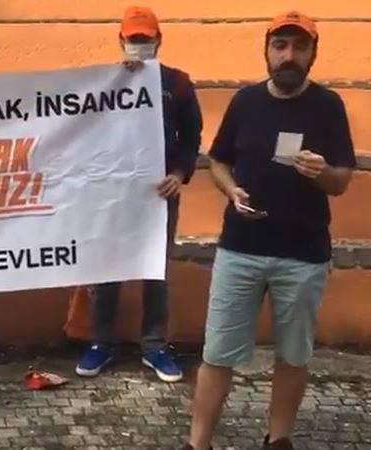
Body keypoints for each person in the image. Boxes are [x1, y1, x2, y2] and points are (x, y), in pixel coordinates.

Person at [179, 11, 355, 450]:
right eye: (280, 46)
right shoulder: (245, 102)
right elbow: (218, 160)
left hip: (304, 254)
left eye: (300, 46)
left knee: (293, 355)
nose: (289, 55)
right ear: (267, 51)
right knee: (217, 354)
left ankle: (279, 440)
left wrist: (321, 173)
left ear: (313, 54)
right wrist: (231, 189)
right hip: (240, 249)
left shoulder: (329, 105)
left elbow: (341, 180)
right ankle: (198, 444)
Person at [75, 6, 203, 382]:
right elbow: (84, 130)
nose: (139, 44)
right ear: (121, 40)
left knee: (156, 270)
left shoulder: (178, 83)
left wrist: (179, 174)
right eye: (133, 39)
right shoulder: (106, 81)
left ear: (159, 40)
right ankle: (101, 342)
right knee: (107, 267)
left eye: (145, 38)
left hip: (160, 193)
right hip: (112, 193)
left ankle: (154, 346)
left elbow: (191, 136)